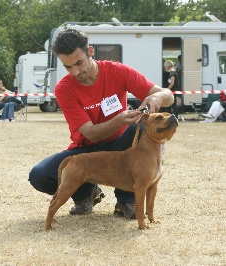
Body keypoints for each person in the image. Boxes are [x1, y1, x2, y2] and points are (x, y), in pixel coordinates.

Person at [28, 28, 174, 219]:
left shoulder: (117, 71)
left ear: (90, 52)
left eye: (79, 63)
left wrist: (158, 96)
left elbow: (169, 96)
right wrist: (118, 120)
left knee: (137, 127)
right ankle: (85, 193)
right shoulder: (64, 89)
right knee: (40, 175)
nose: (76, 71)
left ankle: (126, 200)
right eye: (68, 67)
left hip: (121, 146)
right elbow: (91, 134)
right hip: (86, 150)